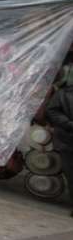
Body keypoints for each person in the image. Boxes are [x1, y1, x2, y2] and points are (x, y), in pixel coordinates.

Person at [46, 83, 73, 217]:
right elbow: (52, 111)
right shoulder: (63, 93)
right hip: (67, 140)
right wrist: (69, 124)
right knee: (71, 173)